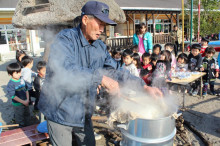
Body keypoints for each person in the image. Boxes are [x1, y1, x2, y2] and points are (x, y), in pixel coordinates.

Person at [38, 1, 162, 146]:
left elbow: (113, 71)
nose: (102, 29)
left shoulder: (99, 46)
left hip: (83, 112)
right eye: (100, 24)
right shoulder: (65, 39)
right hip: (59, 110)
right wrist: (101, 78)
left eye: (104, 26)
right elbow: (65, 69)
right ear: (85, 20)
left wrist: (144, 87)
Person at [6, 63, 30, 127]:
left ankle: (28, 126)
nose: (19, 74)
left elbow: (26, 90)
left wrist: (27, 100)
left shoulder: (22, 79)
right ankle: (22, 128)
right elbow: (13, 96)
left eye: (19, 72)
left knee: (27, 114)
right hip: (18, 105)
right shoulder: (11, 84)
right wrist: (23, 102)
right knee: (19, 117)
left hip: (26, 102)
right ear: (10, 74)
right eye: (16, 73)